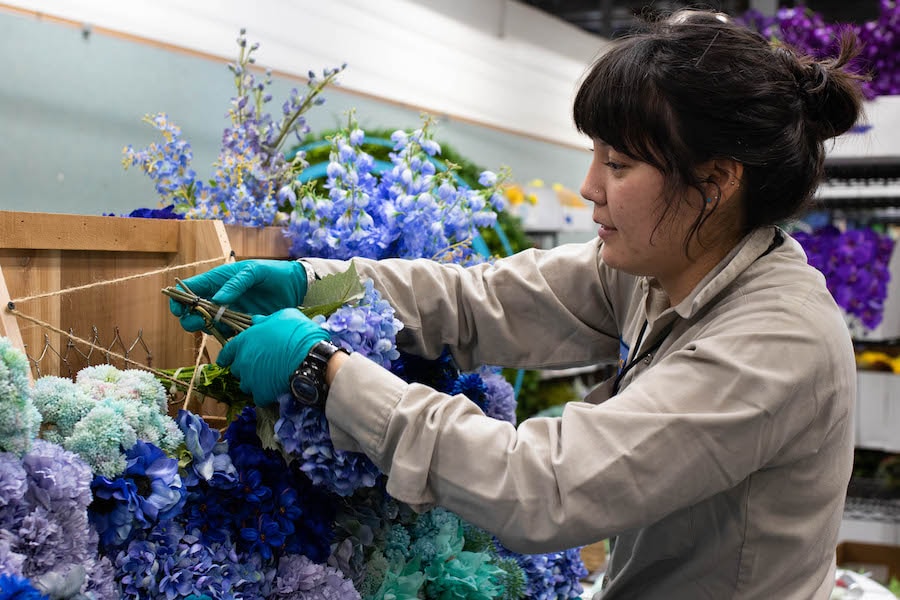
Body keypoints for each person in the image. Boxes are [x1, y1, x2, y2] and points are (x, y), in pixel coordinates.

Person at [170, 9, 866, 599]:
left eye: (619, 166)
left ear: (715, 181)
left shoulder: (775, 345)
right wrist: (313, 282)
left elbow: (542, 486)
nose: (590, 186)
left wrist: (324, 369)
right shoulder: (661, 265)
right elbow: (479, 301)